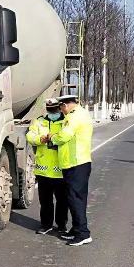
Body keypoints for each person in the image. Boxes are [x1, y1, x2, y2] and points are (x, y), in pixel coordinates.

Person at [49, 95, 93, 246]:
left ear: (65, 105)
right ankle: (76, 229)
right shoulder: (81, 113)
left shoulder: (73, 117)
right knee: (75, 198)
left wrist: (52, 138)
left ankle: (83, 233)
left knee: (75, 199)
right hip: (77, 162)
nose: (61, 111)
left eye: (61, 108)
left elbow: (65, 135)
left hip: (76, 163)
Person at [26, 98, 69, 235]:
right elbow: (29, 135)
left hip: (61, 169)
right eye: (49, 110)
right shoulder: (39, 121)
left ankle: (61, 225)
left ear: (59, 108)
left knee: (62, 201)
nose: (52, 112)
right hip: (43, 169)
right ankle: (46, 225)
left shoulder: (66, 121)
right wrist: (40, 139)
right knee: (45, 201)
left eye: (54, 109)